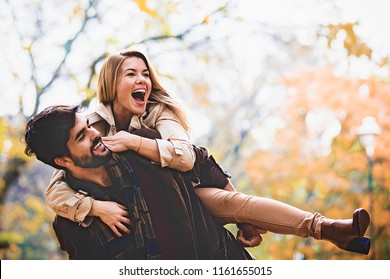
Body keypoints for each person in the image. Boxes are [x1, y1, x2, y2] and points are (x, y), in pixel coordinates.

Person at [45, 49, 371, 255]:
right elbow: (57, 189)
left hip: (183, 192)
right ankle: (332, 232)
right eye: (131, 74)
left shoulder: (160, 112)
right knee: (237, 206)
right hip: (143, 211)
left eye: (145, 73)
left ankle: (329, 228)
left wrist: (134, 142)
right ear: (111, 84)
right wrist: (95, 207)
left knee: (235, 203)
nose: (142, 79)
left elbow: (188, 156)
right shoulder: (90, 126)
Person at [24, 105, 254, 260]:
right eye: (81, 136)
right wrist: (94, 208)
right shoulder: (70, 225)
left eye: (88, 126)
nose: (94, 134)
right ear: (63, 160)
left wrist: (243, 217)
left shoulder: (137, 148)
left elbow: (199, 160)